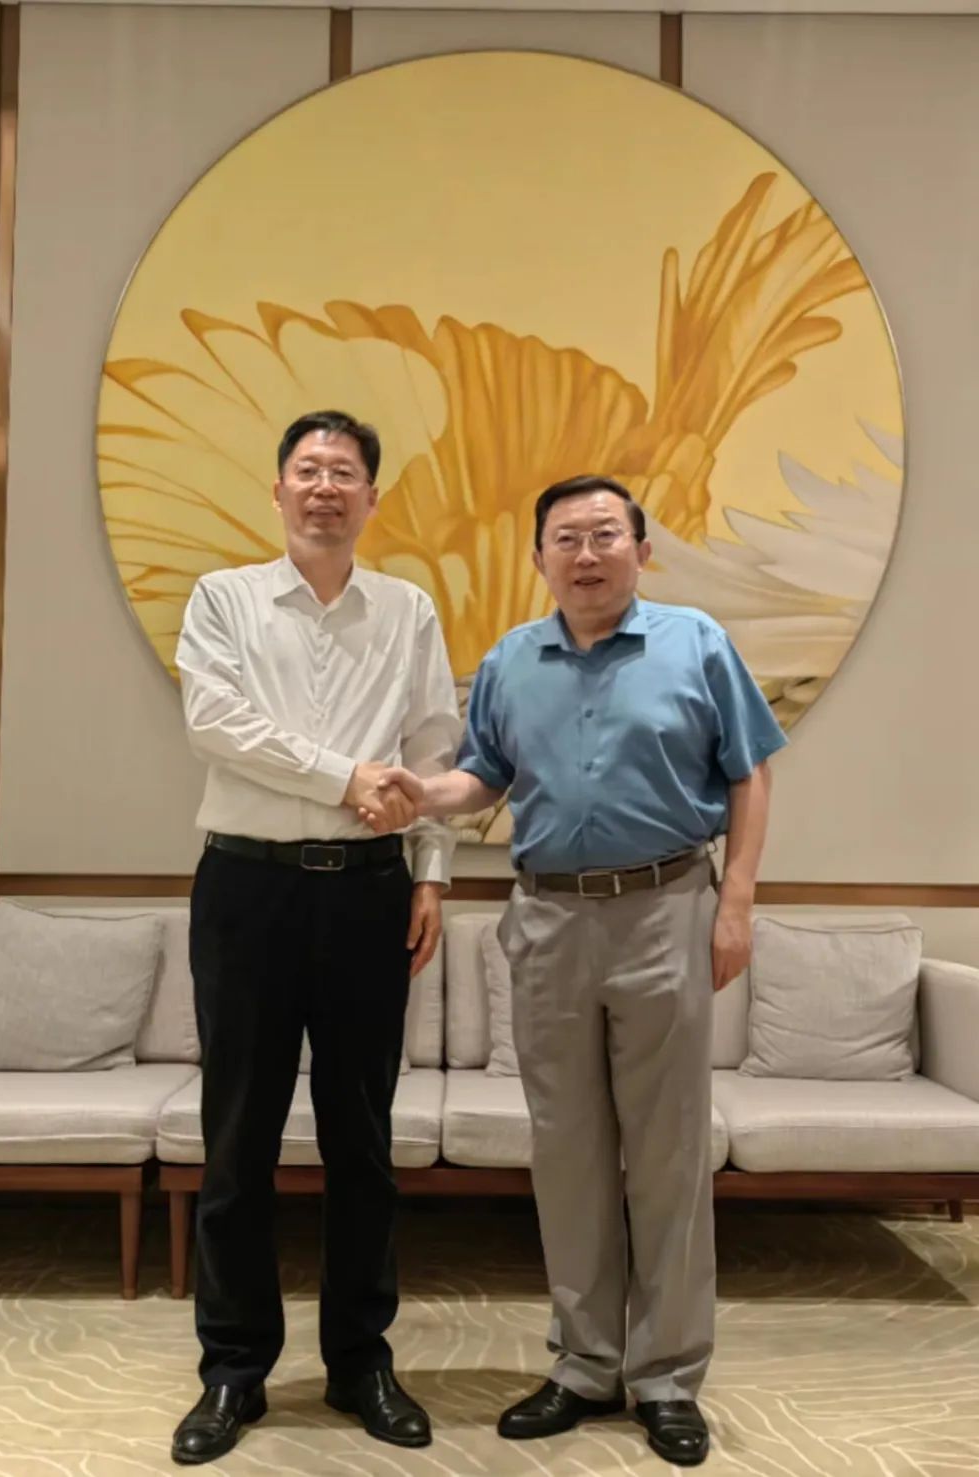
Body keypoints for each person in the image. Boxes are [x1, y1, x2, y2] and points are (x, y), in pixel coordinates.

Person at [364, 474, 787, 1468]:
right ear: (539, 557)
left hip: (667, 908)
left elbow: (750, 770)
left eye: (605, 534)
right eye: (567, 538)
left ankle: (667, 1375)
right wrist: (422, 792)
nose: (587, 554)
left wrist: (736, 901)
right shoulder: (511, 659)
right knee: (566, 1150)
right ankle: (587, 1363)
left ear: (642, 548)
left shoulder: (696, 642)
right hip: (549, 918)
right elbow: (485, 776)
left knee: (669, 1150)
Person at [170, 410, 460, 1466]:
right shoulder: (224, 599)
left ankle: (359, 1361)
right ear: (280, 489)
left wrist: (432, 873)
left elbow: (433, 747)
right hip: (247, 889)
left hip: (371, 894)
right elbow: (217, 722)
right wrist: (344, 777)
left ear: (372, 498)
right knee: (238, 1136)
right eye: (309, 469)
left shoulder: (408, 609)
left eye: (345, 472)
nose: (325, 486)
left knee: (363, 1141)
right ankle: (234, 1367)